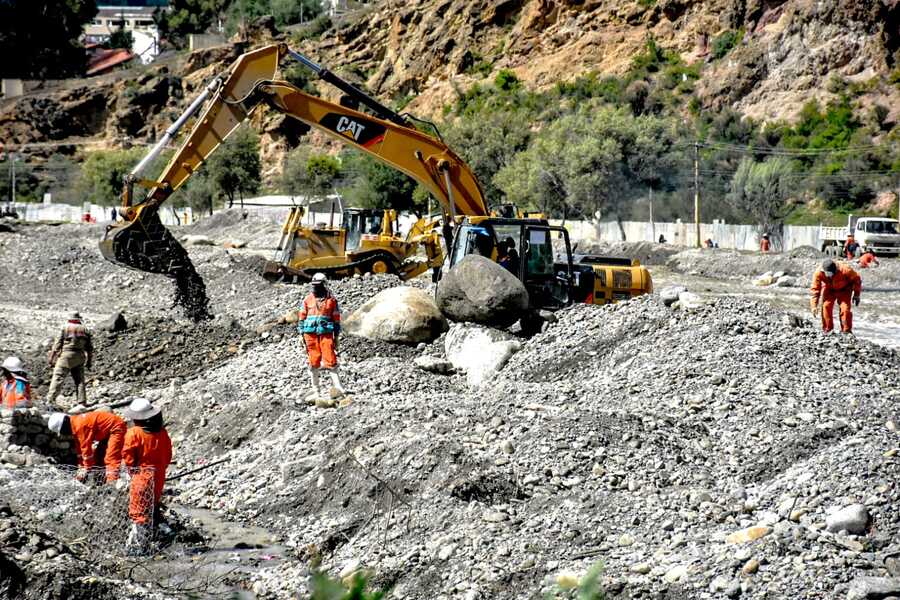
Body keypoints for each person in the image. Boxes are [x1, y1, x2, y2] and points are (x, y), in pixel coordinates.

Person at [122, 397, 172, 554]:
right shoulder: (162, 432)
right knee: (152, 505)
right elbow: (168, 455)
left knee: (139, 512)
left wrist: (133, 473)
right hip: (159, 476)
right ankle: (161, 535)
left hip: (142, 477)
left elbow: (128, 457)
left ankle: (140, 548)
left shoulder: (134, 433)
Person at [297, 273, 345, 400]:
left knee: (330, 358)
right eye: (314, 285)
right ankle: (316, 390)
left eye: (318, 285)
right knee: (314, 360)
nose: (316, 288)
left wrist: (336, 337)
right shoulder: (307, 300)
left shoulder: (331, 300)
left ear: (324, 284)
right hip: (310, 334)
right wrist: (301, 335)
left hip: (326, 333)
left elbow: (336, 319)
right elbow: (301, 318)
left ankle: (338, 388)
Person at [47, 410, 126, 483]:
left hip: (116, 428)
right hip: (107, 432)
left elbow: (86, 449)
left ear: (64, 426)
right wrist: (81, 466)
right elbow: (79, 449)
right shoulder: (75, 423)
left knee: (111, 458)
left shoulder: (80, 426)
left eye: (62, 431)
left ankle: (112, 484)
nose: (64, 434)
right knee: (98, 457)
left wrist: (86, 469)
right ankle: (100, 481)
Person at [46, 312, 93, 406]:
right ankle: (82, 402)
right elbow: (89, 348)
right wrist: (89, 361)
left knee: (58, 377)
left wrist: (51, 358)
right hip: (80, 356)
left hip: (66, 356)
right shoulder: (85, 329)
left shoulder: (65, 328)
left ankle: (50, 400)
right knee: (79, 380)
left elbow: (57, 345)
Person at [810, 259, 862, 334]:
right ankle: (827, 330)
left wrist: (857, 294)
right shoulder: (818, 273)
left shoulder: (845, 269)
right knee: (826, 306)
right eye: (828, 274)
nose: (830, 276)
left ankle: (846, 331)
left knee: (845, 309)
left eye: (832, 274)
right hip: (829, 289)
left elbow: (857, 280)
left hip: (845, 289)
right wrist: (814, 306)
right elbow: (815, 289)